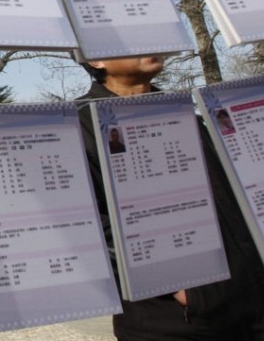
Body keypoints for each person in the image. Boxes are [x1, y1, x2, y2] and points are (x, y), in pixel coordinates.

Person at [78, 56, 264, 340]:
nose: (150, 46)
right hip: (173, 322)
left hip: (248, 301)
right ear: (96, 59)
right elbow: (83, 227)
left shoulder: (185, 109)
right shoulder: (77, 125)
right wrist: (177, 287)